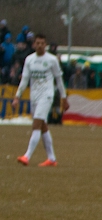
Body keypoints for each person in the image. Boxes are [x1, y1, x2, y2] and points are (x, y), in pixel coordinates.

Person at [12, 34, 68, 167]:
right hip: (34, 96)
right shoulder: (29, 60)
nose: (40, 45)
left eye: (42, 43)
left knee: (36, 125)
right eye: (37, 43)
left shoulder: (52, 60)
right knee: (43, 126)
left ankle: (27, 156)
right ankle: (52, 159)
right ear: (34, 44)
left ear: (46, 45)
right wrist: (17, 96)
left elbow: (59, 80)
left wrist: (63, 97)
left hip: (47, 95)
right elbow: (25, 79)